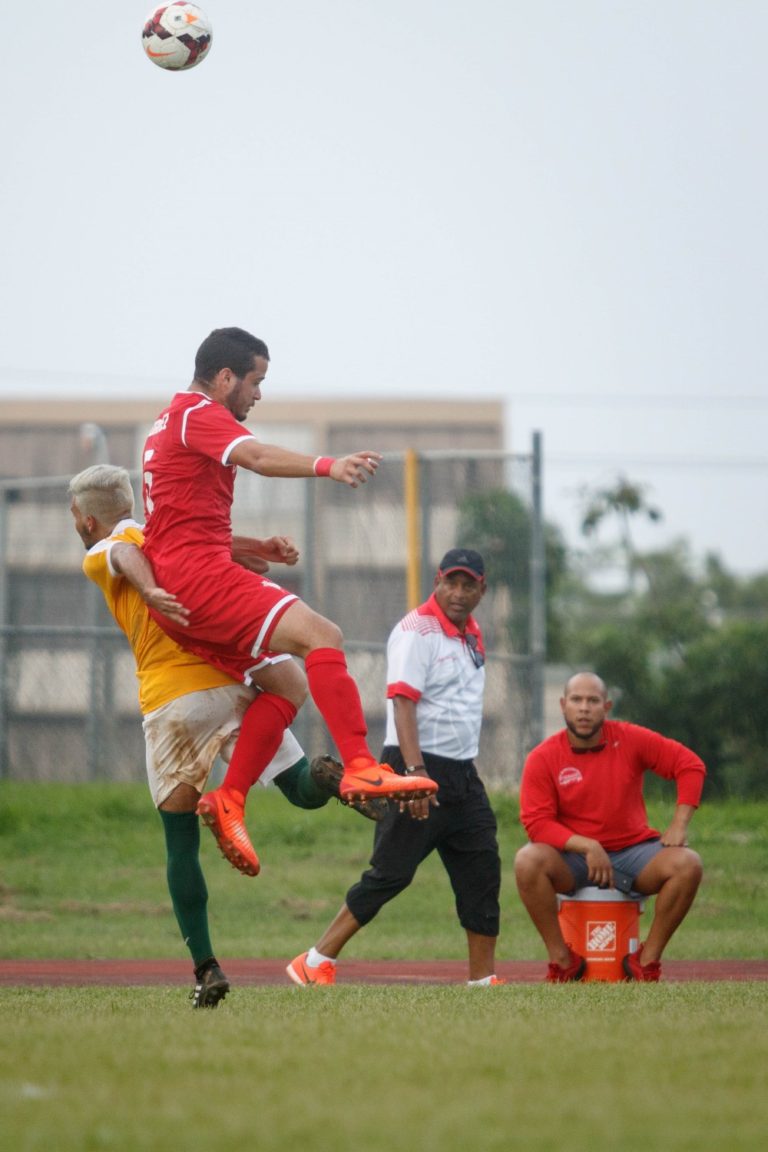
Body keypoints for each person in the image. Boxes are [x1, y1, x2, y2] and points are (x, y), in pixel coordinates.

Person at [68, 464, 385, 1008]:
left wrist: (147, 588)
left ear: (86, 519)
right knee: (300, 786)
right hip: (236, 684)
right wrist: (254, 546)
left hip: (174, 707)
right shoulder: (160, 537)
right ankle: (331, 779)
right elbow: (207, 546)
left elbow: (121, 556)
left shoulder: (107, 549)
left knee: (180, 843)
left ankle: (206, 968)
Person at [140, 326, 436, 876]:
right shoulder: (198, 413)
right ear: (225, 377)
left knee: (289, 683)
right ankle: (361, 767)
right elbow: (254, 455)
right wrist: (329, 465)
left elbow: (172, 527)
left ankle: (229, 798)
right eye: (256, 382)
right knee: (323, 636)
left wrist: (252, 547)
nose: (257, 395)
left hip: (184, 586)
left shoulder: (166, 424)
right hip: (199, 582)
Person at [286, 548, 505, 987]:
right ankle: (313, 961)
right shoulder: (415, 630)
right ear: (437, 582)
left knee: (482, 871)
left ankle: (482, 981)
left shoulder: (471, 632)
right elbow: (403, 703)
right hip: (414, 766)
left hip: (463, 773)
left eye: (468, 585)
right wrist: (415, 776)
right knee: (391, 873)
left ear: (482, 589)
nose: (458, 593)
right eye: (451, 583)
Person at [514, 671, 706, 983]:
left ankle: (645, 962)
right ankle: (563, 961)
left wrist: (679, 824)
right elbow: (537, 824)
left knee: (688, 864)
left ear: (607, 706)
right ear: (563, 706)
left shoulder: (630, 738)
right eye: (576, 700)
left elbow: (690, 765)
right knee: (527, 860)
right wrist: (588, 845)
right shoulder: (543, 757)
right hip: (575, 860)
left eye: (593, 700)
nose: (584, 708)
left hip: (635, 853)